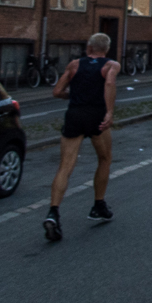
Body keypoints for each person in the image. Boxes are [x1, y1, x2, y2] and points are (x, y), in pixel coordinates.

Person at [43, 33, 120, 241]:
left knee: (65, 165)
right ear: (107, 49)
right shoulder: (111, 65)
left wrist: (74, 95)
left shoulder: (74, 64)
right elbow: (109, 84)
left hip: (74, 114)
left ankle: (53, 212)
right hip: (96, 115)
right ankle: (98, 204)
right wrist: (109, 112)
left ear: (89, 48)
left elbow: (57, 91)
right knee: (104, 159)